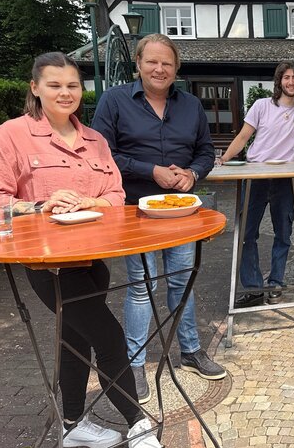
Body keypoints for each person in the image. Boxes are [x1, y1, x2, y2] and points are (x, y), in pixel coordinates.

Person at [0, 52, 162, 448]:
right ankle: (137, 422)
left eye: (73, 85)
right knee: (109, 336)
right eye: (55, 85)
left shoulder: (94, 140)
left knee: (74, 338)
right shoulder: (12, 135)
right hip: (48, 263)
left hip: (94, 260)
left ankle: (74, 425)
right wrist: (40, 204)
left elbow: (116, 195)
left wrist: (91, 198)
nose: (65, 93)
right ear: (35, 88)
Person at [92, 34, 225, 405]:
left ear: (176, 68)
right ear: (138, 63)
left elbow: (204, 151)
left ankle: (191, 350)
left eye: (167, 63)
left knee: (182, 282)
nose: (159, 69)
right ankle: (134, 363)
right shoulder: (114, 100)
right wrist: (151, 171)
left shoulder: (191, 105)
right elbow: (101, 155)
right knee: (141, 287)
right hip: (135, 210)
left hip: (181, 210)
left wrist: (192, 174)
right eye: (152, 61)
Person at [220, 61, 294, 306]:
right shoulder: (262, 105)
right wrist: (224, 158)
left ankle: (276, 284)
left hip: (284, 179)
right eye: (286, 77)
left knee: (283, 233)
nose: (290, 82)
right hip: (255, 175)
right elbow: (243, 136)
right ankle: (253, 287)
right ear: (279, 81)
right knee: (248, 233)